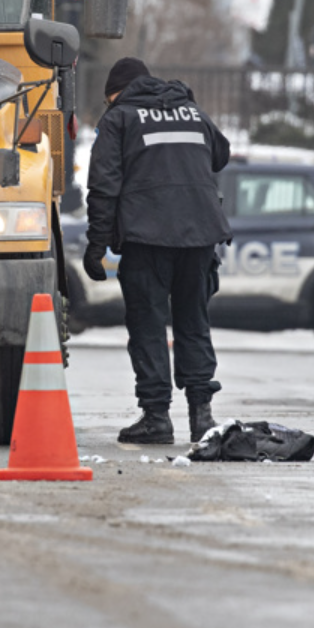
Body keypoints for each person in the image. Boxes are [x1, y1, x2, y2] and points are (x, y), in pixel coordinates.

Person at [84, 57, 232, 444]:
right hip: (199, 235)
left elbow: (103, 186)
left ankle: (156, 418)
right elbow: (221, 154)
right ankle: (202, 416)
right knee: (193, 322)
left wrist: (97, 244)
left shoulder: (119, 118)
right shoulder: (192, 112)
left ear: (116, 93)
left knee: (148, 325)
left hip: (147, 237)